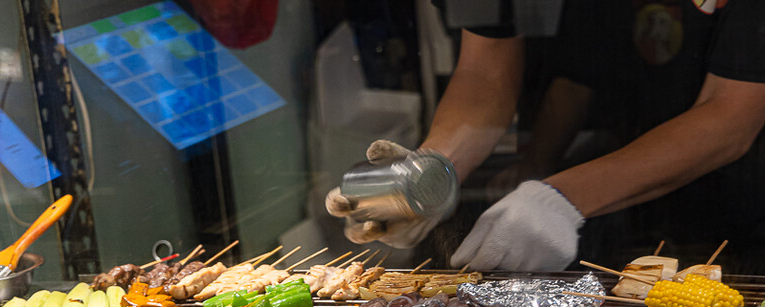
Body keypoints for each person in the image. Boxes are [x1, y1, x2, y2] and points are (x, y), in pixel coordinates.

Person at [326, 0, 765, 273]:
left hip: (741, 205)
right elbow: (485, 71)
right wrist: (428, 172)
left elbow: (733, 114)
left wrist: (559, 197)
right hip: (608, 182)